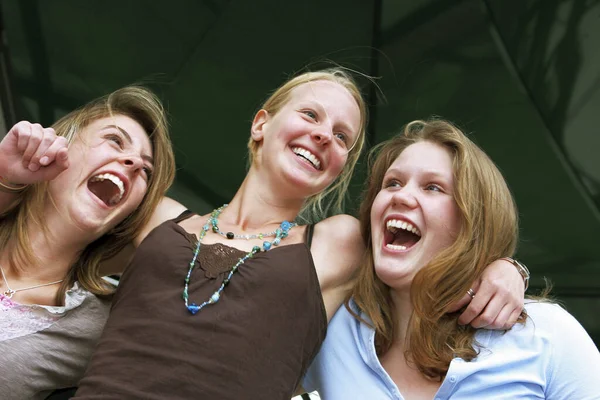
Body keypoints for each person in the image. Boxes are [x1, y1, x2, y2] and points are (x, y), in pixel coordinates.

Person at [68, 69, 527, 399]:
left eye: (343, 136)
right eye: (310, 115)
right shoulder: (160, 215)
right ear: (261, 123)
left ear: (340, 168)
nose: (325, 135)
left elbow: (429, 239)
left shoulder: (337, 243)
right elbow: (47, 229)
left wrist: (506, 268)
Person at [302, 119, 600, 399]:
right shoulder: (332, 326)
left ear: (474, 222)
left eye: (433, 187)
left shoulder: (546, 335)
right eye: (392, 183)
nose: (401, 196)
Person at [0, 86, 176, 399]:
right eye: (115, 140)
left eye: (146, 171)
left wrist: (147, 209)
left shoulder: (101, 325)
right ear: (60, 142)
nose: (134, 162)